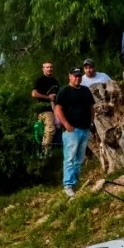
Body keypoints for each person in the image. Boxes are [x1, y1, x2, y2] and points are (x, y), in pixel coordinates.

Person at [54, 67, 96, 198]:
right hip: (72, 130)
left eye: (79, 76)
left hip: (84, 129)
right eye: (75, 76)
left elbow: (91, 107)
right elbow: (58, 108)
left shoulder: (85, 90)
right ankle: (68, 185)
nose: (77, 78)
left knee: (79, 159)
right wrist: (66, 125)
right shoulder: (64, 91)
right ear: (70, 76)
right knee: (70, 158)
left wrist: (91, 123)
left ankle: (75, 182)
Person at [31, 61, 59, 156]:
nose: (49, 69)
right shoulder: (40, 80)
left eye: (51, 67)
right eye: (47, 67)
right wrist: (48, 97)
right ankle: (45, 153)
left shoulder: (55, 81)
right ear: (43, 69)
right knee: (50, 129)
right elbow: (34, 94)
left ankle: (56, 152)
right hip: (45, 109)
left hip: (55, 109)